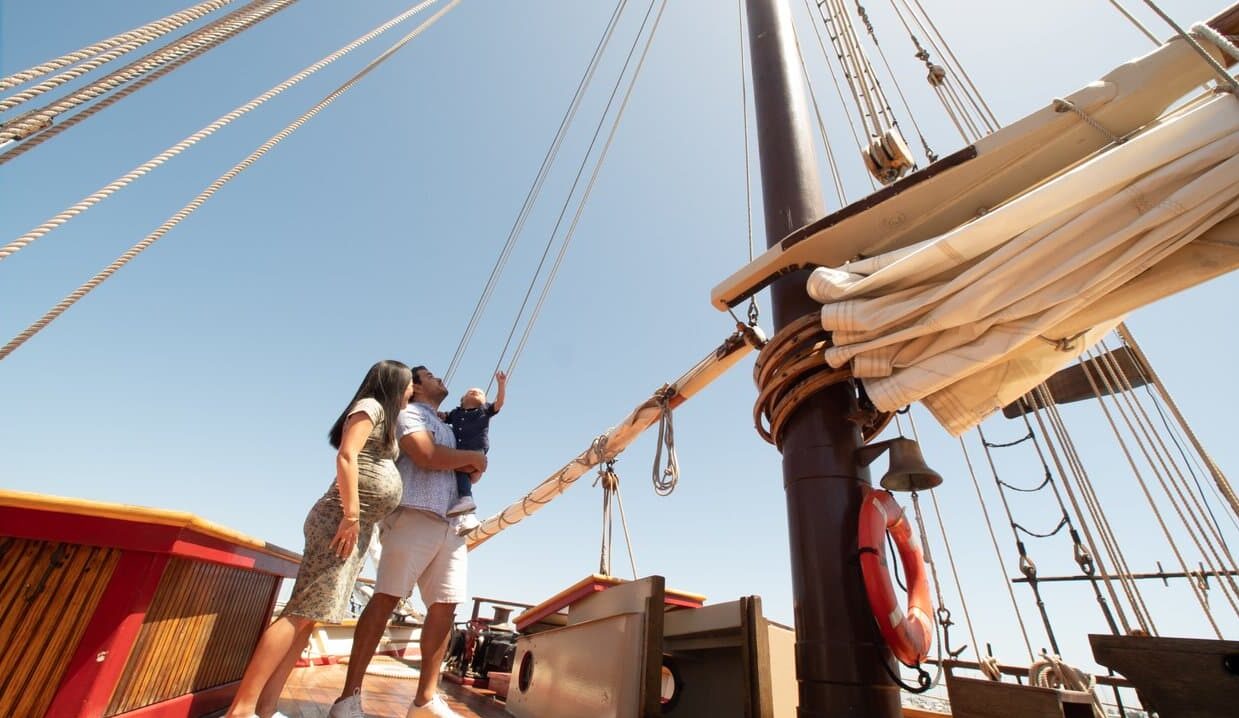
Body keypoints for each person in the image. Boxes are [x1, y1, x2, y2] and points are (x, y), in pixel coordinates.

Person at [224, 360, 414, 718]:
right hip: (339, 522)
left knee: (309, 617)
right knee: (298, 613)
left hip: (355, 528)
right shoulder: (370, 406)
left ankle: (265, 708)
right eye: (408, 386)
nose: (411, 391)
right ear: (394, 384)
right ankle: (242, 709)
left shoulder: (385, 418)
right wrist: (352, 515)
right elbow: (347, 455)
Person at [330, 366, 487, 718]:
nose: (440, 378)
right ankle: (348, 699)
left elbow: (473, 472)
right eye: (430, 375)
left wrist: (471, 461)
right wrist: (472, 458)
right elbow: (426, 455)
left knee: (446, 605)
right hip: (414, 514)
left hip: (452, 523)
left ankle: (425, 701)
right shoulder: (407, 414)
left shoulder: (448, 425)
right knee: (385, 598)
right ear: (414, 388)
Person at [443, 369, 506, 534]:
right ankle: (466, 516)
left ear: (484, 401)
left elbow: (499, 403)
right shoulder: (455, 413)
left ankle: (465, 501)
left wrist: (501, 384)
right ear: (462, 400)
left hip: (475, 451)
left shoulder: (484, 410)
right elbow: (442, 416)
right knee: (459, 477)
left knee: (459, 473)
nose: (475, 391)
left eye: (479, 393)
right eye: (471, 392)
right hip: (459, 454)